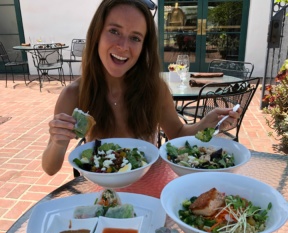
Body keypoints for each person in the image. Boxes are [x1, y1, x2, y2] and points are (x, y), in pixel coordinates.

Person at [42, 0, 241, 176]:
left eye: (135, 38)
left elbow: (177, 133)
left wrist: (205, 124)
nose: (123, 46)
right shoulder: (74, 94)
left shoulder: (155, 89)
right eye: (114, 31)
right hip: (103, 193)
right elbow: (50, 168)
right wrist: (58, 142)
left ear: (144, 46)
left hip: (152, 184)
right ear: (97, 34)